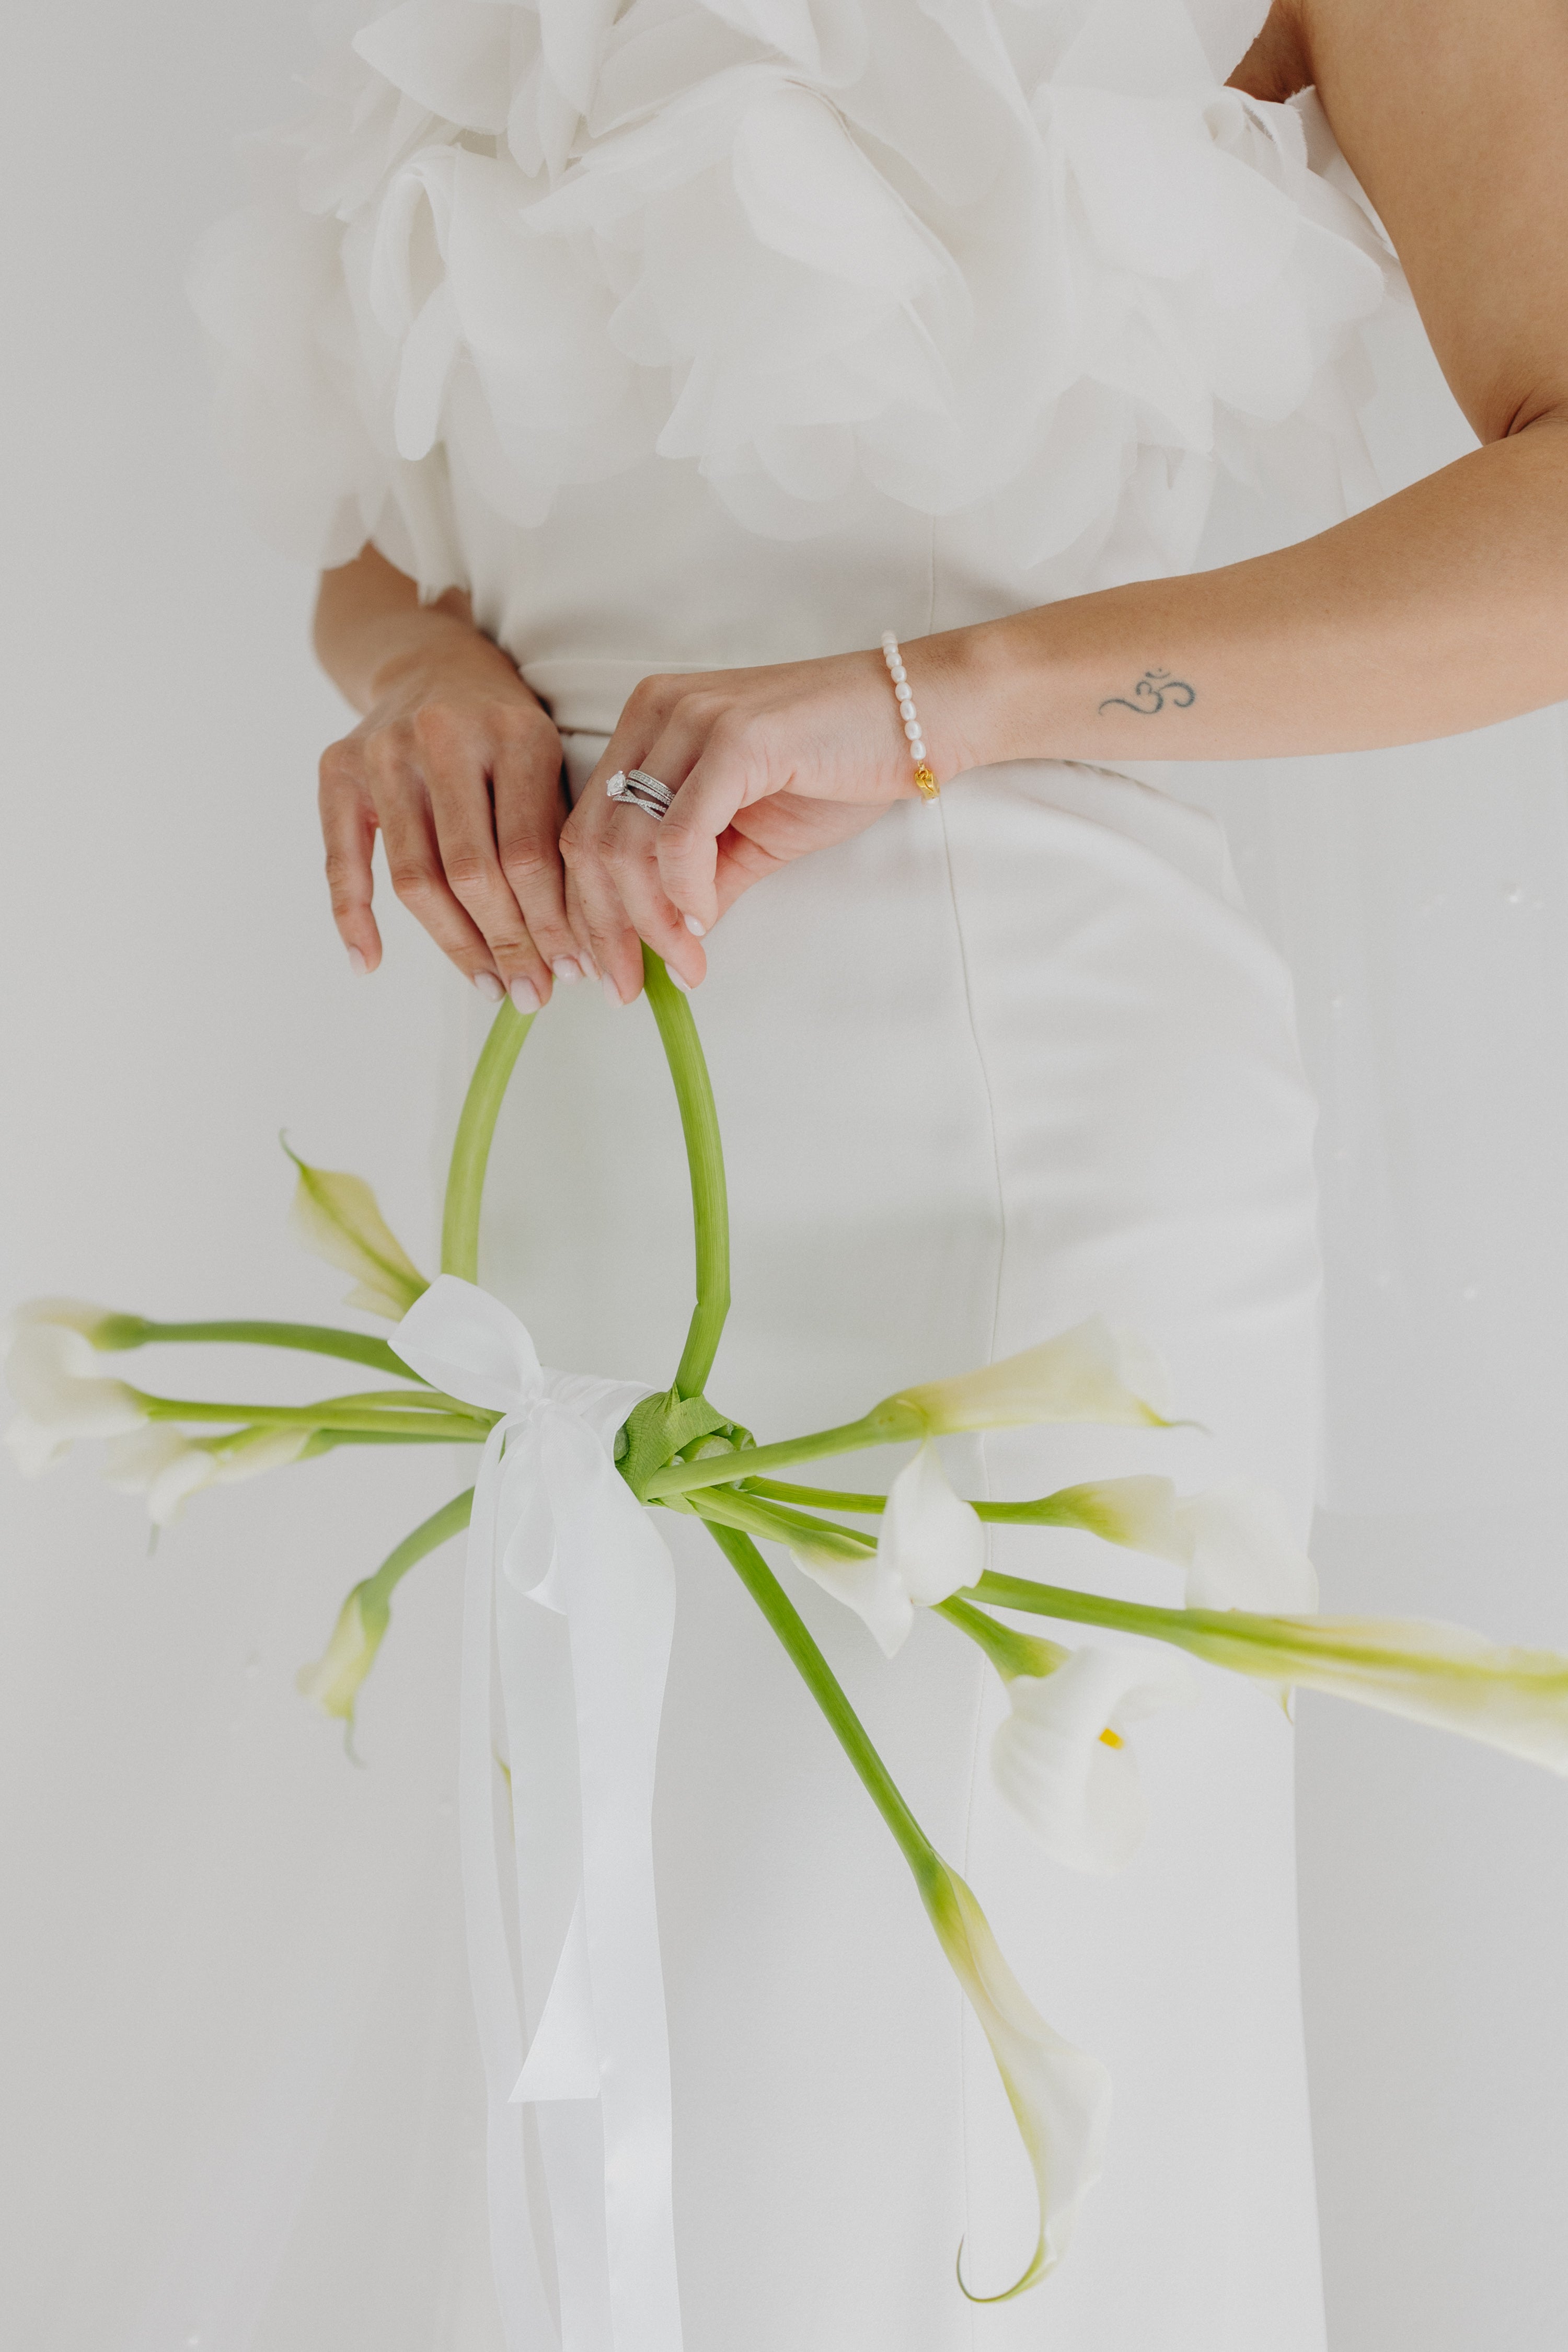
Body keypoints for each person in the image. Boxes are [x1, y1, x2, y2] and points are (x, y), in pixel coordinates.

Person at [190, 1, 1568, 2346]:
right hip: (577, 1133)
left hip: (1021, 1134)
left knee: (923, 2105)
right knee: (615, 2083)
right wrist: (420, 674)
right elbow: (385, 510)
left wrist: (955, 695)